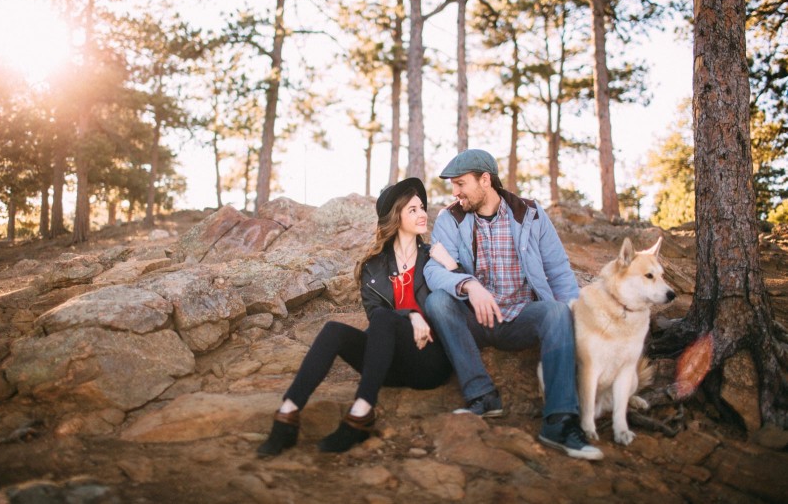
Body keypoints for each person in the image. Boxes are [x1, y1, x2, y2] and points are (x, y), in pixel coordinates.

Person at [423, 149, 603, 461]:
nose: (455, 192)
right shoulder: (450, 219)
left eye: (461, 184)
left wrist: (576, 322)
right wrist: (469, 284)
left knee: (558, 312)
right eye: (453, 185)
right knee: (438, 301)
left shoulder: (530, 214)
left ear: (485, 180)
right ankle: (482, 395)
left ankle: (559, 422)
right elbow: (433, 270)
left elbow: (558, 270)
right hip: (474, 319)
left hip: (521, 317)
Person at [257, 178, 453, 456]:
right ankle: (287, 416)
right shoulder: (373, 267)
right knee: (334, 330)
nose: (423, 214)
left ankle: (361, 413)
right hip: (388, 364)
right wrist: (410, 314)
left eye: (422, 207)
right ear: (395, 217)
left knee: (386, 318)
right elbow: (376, 318)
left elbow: (455, 302)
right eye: (413, 209)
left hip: (428, 360)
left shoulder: (433, 255)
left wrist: (450, 264)